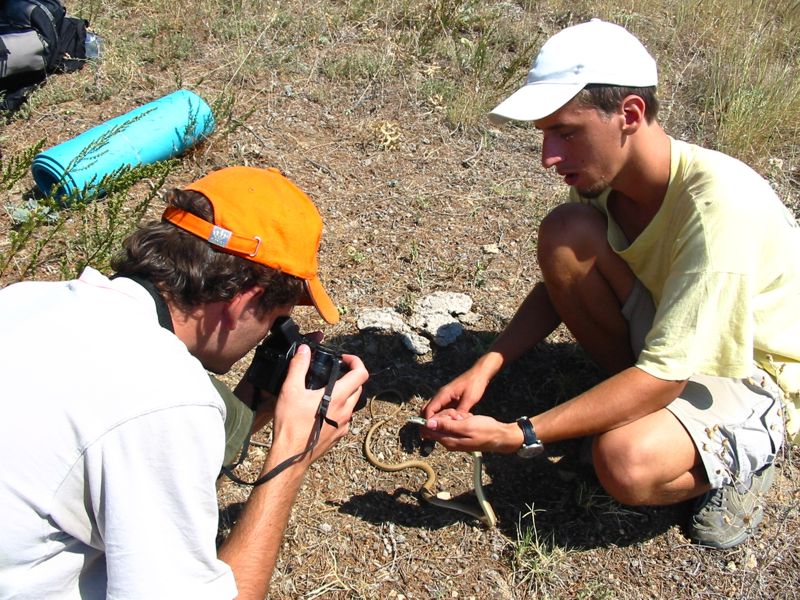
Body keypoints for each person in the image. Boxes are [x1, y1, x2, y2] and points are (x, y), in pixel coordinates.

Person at [421, 19, 800, 549]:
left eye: (566, 132)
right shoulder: (609, 180)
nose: (549, 156)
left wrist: (518, 435)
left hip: (747, 368)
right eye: (545, 134)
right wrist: (487, 364)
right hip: (673, 330)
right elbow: (561, 282)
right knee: (565, 232)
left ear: (630, 114)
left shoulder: (719, 206)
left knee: (625, 461)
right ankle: (634, 406)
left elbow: (666, 375)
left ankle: (741, 458)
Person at [0, 166, 369, 599]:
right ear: (244, 302)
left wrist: (254, 398)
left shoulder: (25, 298)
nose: (266, 333)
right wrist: (291, 455)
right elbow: (154, 420)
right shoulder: (166, 399)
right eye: (276, 318)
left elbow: (143, 467)